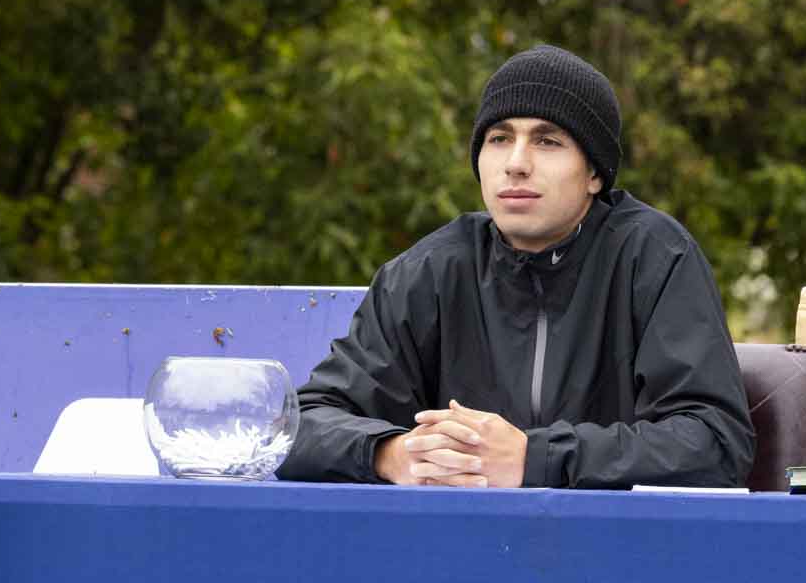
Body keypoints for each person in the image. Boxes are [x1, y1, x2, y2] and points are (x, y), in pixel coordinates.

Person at [277, 44, 754, 489]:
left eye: (547, 141)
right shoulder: (430, 271)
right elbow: (299, 426)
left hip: (613, 541)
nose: (516, 163)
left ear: (594, 173)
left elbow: (714, 442)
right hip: (460, 540)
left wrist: (533, 459)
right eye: (500, 138)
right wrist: (391, 454)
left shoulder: (655, 257)